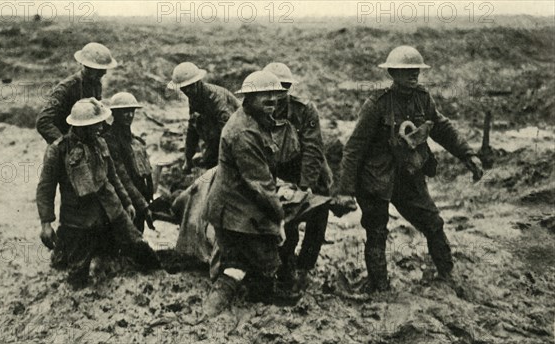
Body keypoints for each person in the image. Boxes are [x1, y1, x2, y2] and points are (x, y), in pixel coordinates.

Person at [336, 46, 484, 293]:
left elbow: (442, 128)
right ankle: (379, 286)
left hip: (409, 176)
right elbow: (354, 148)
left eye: (416, 70)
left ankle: (447, 274)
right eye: (407, 71)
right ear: (392, 73)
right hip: (375, 179)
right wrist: (345, 190)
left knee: (433, 222)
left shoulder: (423, 99)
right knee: (376, 231)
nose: (413, 75)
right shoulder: (377, 104)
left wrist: (467, 155)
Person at [36, 98, 160, 288]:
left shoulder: (100, 143)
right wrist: (46, 223)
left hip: (112, 211)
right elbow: (46, 188)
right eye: (94, 125)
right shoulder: (58, 151)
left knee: (140, 247)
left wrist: (127, 202)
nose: (99, 128)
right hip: (79, 221)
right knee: (77, 275)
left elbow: (113, 176)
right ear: (80, 127)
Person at [202, 71, 289, 317]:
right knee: (266, 266)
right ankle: (254, 308)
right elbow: (260, 183)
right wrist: (279, 218)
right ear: (249, 98)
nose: (272, 99)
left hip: (234, 209)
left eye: (275, 94)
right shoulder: (244, 132)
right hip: (237, 213)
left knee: (236, 265)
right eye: (265, 95)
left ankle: (217, 308)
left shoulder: (254, 121)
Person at [262, 62, 334, 289]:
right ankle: (284, 266)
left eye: (284, 87)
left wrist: (306, 186)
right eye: (274, 87)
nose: (279, 93)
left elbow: (313, 150)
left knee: (318, 214)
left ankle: (305, 266)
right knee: (284, 222)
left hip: (306, 169)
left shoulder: (305, 111)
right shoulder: (257, 111)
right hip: (276, 171)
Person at [37, 42, 117, 144]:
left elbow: (97, 115)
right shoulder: (66, 88)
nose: (104, 73)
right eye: (99, 69)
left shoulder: (95, 84)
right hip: (69, 145)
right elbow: (43, 121)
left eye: (104, 69)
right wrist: (64, 144)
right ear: (87, 67)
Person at [167, 62, 241, 172]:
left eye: (189, 87)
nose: (186, 91)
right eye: (183, 88)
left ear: (197, 82)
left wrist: (213, 157)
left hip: (238, 141)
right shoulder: (194, 97)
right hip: (217, 142)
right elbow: (192, 129)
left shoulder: (217, 99)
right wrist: (188, 159)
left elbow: (229, 133)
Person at [103, 92, 155, 233]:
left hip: (139, 198)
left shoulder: (135, 140)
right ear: (114, 113)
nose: (130, 115)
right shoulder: (110, 140)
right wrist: (142, 204)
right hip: (124, 201)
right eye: (124, 111)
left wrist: (147, 200)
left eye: (132, 111)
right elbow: (122, 176)